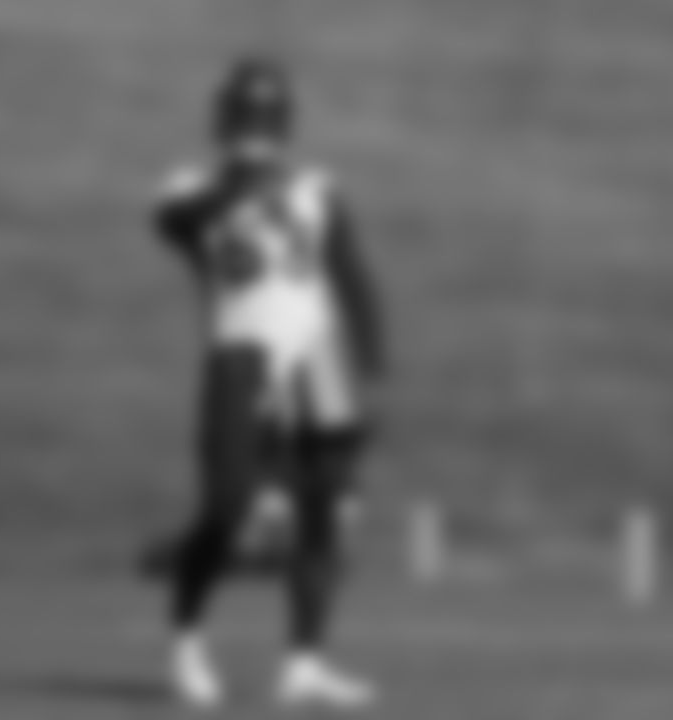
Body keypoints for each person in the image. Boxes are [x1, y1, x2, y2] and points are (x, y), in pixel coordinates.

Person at [151, 55, 388, 710]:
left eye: (265, 117)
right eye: (245, 116)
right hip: (239, 355)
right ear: (225, 121)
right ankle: (186, 641)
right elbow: (177, 223)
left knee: (324, 515)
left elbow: (353, 278)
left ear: (284, 123)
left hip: (317, 358)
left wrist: (374, 370)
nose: (255, 128)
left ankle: (304, 663)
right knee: (226, 509)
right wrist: (242, 182)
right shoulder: (189, 187)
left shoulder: (317, 188)